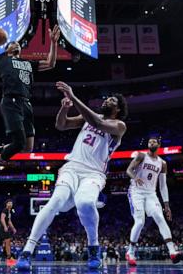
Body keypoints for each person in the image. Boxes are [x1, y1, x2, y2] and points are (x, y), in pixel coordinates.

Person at [16, 81, 128, 270]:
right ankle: (27, 251)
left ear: (118, 109)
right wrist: (64, 109)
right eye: (107, 98)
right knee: (54, 201)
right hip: (72, 167)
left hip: (94, 173)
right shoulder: (89, 117)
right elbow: (61, 125)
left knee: (85, 203)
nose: (107, 100)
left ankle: (93, 247)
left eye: (112, 100)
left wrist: (73, 96)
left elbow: (98, 123)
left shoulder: (119, 125)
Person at [0, 25, 60, 183]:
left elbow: (51, 63)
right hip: (11, 101)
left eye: (18, 44)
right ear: (7, 49)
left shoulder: (28, 63)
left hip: (26, 103)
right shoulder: (1, 59)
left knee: (27, 147)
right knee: (19, 143)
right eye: (12, 43)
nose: (16, 44)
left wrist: (53, 43)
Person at [125, 137, 183, 265]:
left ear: (159, 145)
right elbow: (129, 170)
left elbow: (163, 186)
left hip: (151, 194)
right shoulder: (141, 156)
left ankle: (172, 252)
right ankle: (130, 252)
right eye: (149, 142)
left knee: (160, 217)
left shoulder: (162, 163)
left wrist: (167, 205)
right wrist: (135, 177)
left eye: (154, 142)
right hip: (136, 192)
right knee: (140, 222)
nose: (151, 143)